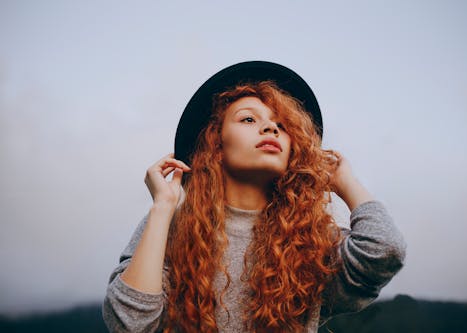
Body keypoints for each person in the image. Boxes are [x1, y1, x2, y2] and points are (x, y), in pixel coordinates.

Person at [102, 61, 407, 333]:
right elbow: (129, 324)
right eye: (248, 119)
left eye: (282, 125)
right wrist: (162, 208)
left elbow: (384, 250)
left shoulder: (310, 236)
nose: (271, 127)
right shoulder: (171, 225)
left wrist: (346, 182)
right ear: (216, 148)